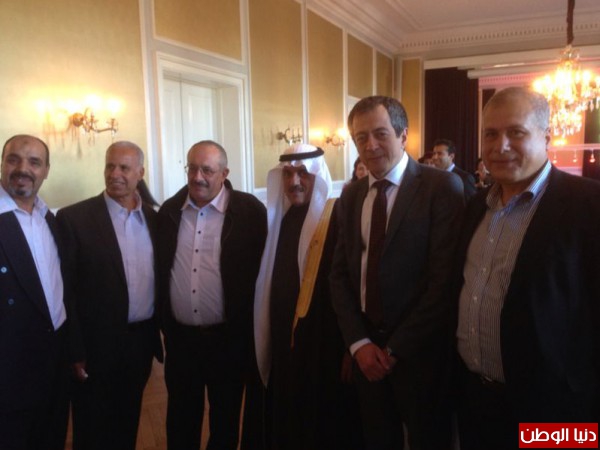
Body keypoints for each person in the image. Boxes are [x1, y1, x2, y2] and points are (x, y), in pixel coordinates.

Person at [454, 86, 600, 450]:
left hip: (557, 409)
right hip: (477, 400)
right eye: (490, 134)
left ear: (546, 137)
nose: (500, 146)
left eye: (516, 132)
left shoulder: (589, 205)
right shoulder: (475, 206)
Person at [330, 96, 464, 450]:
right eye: (361, 138)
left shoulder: (441, 188)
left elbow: (443, 283)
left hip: (421, 354)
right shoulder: (351, 196)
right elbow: (339, 276)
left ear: (403, 135)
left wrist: (394, 349)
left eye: (380, 134)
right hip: (366, 353)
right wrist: (359, 344)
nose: (370, 146)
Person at [156, 140, 267, 450]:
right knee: (181, 418)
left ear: (224, 173)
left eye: (207, 170)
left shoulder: (250, 212)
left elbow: (266, 271)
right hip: (181, 341)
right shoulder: (169, 211)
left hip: (229, 341)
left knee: (226, 420)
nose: (198, 177)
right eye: (192, 168)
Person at [252, 143, 363, 449]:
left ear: (318, 175)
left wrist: (350, 346)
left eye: (303, 173)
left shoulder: (336, 218)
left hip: (324, 345)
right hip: (284, 343)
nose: (294, 182)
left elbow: (353, 287)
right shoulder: (280, 219)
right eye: (288, 174)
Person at [57, 141, 163, 450]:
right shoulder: (74, 219)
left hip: (140, 343)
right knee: (91, 428)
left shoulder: (154, 220)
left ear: (140, 173)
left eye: (124, 168)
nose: (115, 174)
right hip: (94, 346)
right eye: (110, 166)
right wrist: (74, 349)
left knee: (127, 421)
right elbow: (66, 290)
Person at [0, 134, 69, 450]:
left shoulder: (49, 219)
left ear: (46, 170)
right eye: (13, 159)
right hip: (9, 371)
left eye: (34, 162)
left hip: (53, 365)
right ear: (2, 164)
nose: (22, 169)